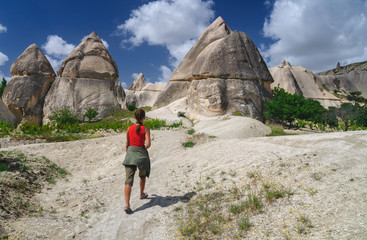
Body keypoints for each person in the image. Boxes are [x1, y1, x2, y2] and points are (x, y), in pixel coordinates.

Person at [123, 108, 151, 214]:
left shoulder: (129, 128)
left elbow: (127, 143)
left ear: (135, 117)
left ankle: (127, 204)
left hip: (130, 154)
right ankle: (141, 193)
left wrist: (129, 152)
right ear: (144, 117)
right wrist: (142, 148)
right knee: (142, 176)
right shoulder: (145, 129)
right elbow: (148, 144)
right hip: (141, 155)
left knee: (128, 180)